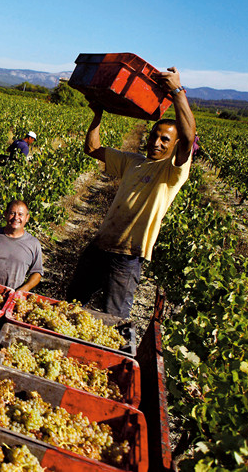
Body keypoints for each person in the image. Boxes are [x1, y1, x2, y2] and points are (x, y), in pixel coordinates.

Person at [66, 66, 196, 318]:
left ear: (176, 146)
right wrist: (98, 115)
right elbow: (93, 149)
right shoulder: (133, 161)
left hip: (128, 255)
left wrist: (177, 91)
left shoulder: (172, 172)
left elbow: (189, 137)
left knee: (114, 318)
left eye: (165, 140)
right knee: (71, 303)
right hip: (101, 245)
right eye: (154, 135)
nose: (156, 142)